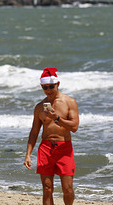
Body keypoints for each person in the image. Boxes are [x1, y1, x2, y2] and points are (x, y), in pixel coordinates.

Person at [24, 68, 79, 205]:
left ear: (57, 84)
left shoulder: (69, 102)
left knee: (67, 188)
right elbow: (34, 132)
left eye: (51, 87)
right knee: (47, 188)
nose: (48, 90)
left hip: (64, 147)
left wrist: (57, 119)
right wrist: (28, 154)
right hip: (45, 148)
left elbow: (74, 127)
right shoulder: (39, 107)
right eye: (44, 87)